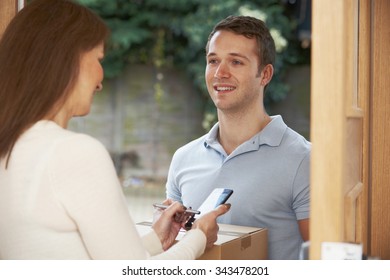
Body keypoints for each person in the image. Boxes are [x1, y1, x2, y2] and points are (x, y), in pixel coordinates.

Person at [0, 0, 229, 260]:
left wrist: (156, 239)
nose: (101, 78)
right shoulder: (71, 152)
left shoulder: (14, 147)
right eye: (98, 59)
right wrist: (199, 235)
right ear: (67, 60)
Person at [166, 15, 311, 260]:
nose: (220, 73)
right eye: (213, 61)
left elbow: (321, 258)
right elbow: (172, 248)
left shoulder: (304, 160)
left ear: (265, 74)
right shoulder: (183, 159)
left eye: (236, 62)